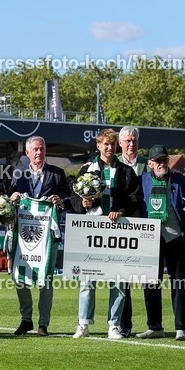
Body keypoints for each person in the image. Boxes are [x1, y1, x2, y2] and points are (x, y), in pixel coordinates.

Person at [69, 128, 143, 340]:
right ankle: (83, 323)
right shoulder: (87, 170)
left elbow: (135, 197)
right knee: (87, 279)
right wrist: (83, 204)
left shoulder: (126, 171)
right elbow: (74, 198)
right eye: (105, 144)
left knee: (118, 280)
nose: (109, 148)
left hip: (116, 230)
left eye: (112, 144)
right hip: (92, 230)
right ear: (98, 146)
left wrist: (120, 212)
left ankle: (114, 325)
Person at [8, 135, 70, 337]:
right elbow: (9, 199)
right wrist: (13, 198)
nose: (39, 152)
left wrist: (61, 201)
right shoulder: (19, 174)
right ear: (27, 152)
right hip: (23, 237)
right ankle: (26, 319)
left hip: (48, 237)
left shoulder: (58, 174)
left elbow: (71, 199)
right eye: (35, 149)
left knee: (47, 279)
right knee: (20, 278)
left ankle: (43, 323)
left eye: (42, 149)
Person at [135, 146, 185, 341]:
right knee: (151, 283)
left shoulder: (182, 181)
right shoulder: (141, 181)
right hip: (150, 238)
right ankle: (154, 326)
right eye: (157, 161)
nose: (161, 164)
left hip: (174, 236)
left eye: (164, 160)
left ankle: (181, 328)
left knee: (178, 283)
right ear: (150, 163)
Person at [117, 125, 144, 337]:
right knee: (122, 278)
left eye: (134, 140)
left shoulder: (148, 164)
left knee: (149, 277)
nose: (131, 144)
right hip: (121, 228)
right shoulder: (113, 165)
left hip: (147, 227)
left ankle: (155, 325)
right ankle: (124, 323)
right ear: (120, 143)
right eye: (127, 140)